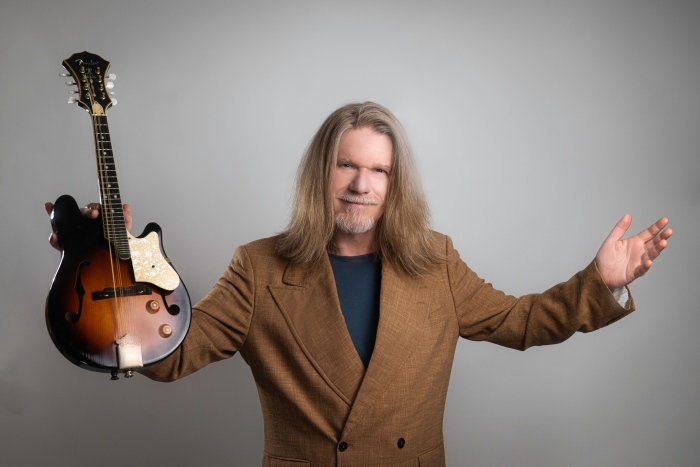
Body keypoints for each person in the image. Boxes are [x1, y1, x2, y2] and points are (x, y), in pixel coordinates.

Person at [46, 102, 671, 466]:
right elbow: (172, 354)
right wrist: (103, 269)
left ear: (396, 183)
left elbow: (524, 322)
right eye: (347, 164)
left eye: (379, 170)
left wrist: (600, 283)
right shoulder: (258, 268)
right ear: (321, 172)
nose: (361, 185)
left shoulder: (437, 261)